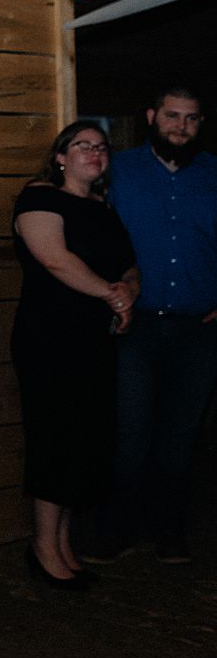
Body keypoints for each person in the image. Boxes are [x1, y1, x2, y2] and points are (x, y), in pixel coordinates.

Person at [11, 121, 138, 590]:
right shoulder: (39, 197)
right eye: (82, 145)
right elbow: (55, 259)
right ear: (60, 156)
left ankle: (62, 542)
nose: (94, 152)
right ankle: (42, 547)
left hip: (94, 340)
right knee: (54, 438)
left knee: (83, 440)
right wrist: (112, 295)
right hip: (50, 339)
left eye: (101, 146)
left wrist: (128, 292)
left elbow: (128, 264)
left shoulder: (103, 208)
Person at [94, 86, 217, 565]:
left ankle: (170, 531)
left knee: (181, 435)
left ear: (200, 123)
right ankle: (117, 530)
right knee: (128, 433)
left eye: (190, 118)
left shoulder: (213, 174)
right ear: (151, 116)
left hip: (198, 328)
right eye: (171, 116)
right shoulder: (117, 169)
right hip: (133, 327)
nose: (180, 127)